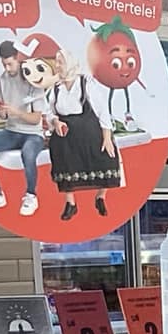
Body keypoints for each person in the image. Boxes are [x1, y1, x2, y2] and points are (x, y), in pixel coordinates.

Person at [39, 40, 122, 223]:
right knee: (65, 162)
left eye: (60, 62)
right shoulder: (55, 88)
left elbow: (102, 111)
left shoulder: (86, 83)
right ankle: (71, 203)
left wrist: (107, 137)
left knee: (107, 158)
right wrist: (55, 121)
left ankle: (100, 197)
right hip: (66, 134)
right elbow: (48, 112)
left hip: (89, 130)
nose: (57, 65)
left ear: (69, 63)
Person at [0, 40, 48, 217]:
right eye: (4, 64)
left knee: (28, 153)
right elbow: (4, 116)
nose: (7, 68)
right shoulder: (1, 80)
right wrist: (1, 112)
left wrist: (16, 112)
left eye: (10, 64)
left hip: (33, 134)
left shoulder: (33, 77)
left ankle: (31, 195)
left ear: (18, 58)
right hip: (11, 130)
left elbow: (36, 119)